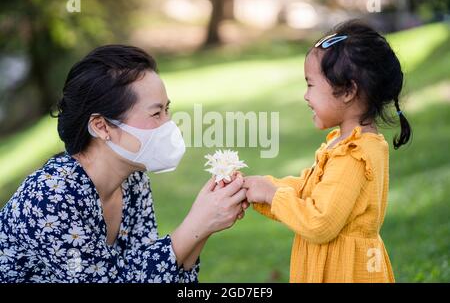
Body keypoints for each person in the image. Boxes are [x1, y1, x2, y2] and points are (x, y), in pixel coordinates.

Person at [0, 45, 248, 283]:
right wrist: (196, 224)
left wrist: (204, 227)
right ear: (101, 126)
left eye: (167, 110)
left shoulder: (133, 179)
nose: (168, 124)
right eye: (156, 113)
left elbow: (147, 271)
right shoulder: (50, 197)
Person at [243, 20, 412, 283]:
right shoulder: (343, 143)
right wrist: (261, 188)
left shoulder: (356, 154)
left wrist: (272, 194)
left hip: (347, 272)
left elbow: (319, 222)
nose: (305, 96)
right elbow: (311, 192)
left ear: (347, 91)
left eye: (310, 85)